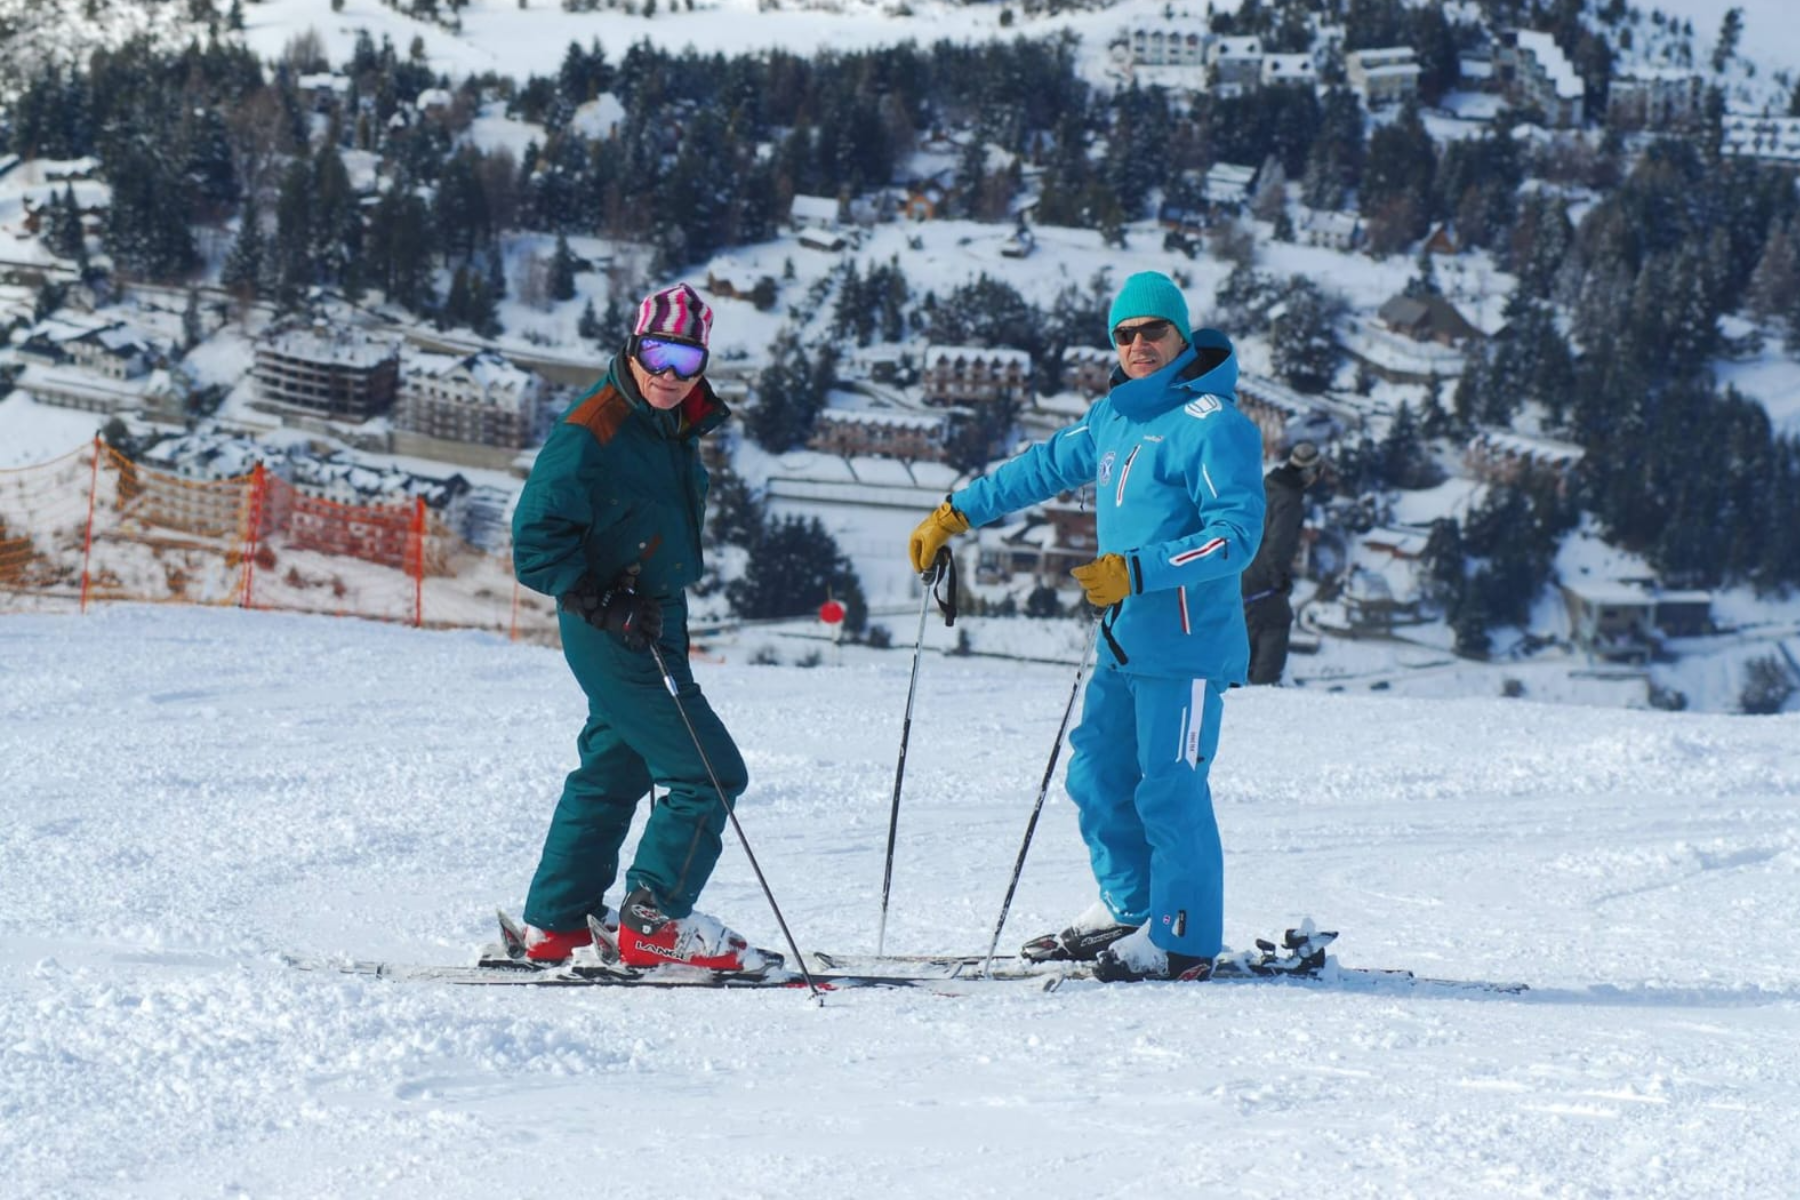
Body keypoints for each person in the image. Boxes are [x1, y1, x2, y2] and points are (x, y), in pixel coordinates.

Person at [907, 271, 1265, 982]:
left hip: (1186, 644)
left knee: (1170, 787)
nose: (1138, 345)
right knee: (1097, 774)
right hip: (1123, 639)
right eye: (1124, 335)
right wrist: (956, 513)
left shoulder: (1216, 425)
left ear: (1180, 336)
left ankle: (1184, 936)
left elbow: (1237, 535)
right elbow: (1039, 469)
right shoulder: (1114, 418)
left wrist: (1139, 570)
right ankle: (1131, 909)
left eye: (1152, 332)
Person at [510, 282, 768, 972]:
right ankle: (653, 921)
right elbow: (534, 544)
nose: (667, 374)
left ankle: (557, 923)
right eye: (656, 353)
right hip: (615, 624)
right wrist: (601, 601)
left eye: (685, 361)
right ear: (631, 346)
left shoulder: (669, 423)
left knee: (614, 767)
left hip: (650, 614)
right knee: (709, 773)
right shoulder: (592, 432)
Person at [1241, 441, 1326, 686]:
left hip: (1243, 567)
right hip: (1262, 575)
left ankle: (1242, 678)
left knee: (1252, 622)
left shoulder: (1267, 486)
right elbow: (1279, 544)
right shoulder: (1290, 500)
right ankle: (1263, 685)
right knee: (1276, 622)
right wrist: (1280, 580)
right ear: (1309, 472)